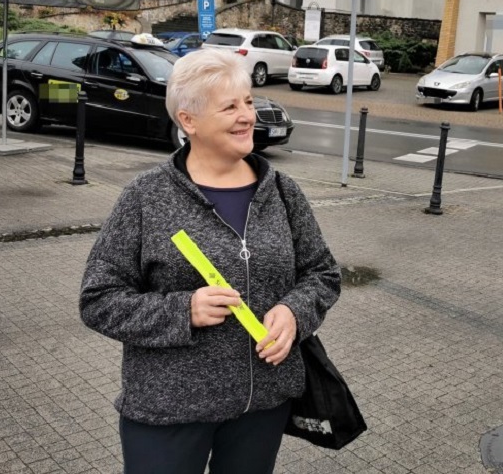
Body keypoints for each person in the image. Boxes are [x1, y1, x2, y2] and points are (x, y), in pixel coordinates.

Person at [79, 49, 341, 474]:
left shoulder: (283, 192)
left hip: (262, 404)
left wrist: (294, 313)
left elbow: (322, 273)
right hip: (169, 411)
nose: (247, 116)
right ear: (189, 121)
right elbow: (98, 300)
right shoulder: (146, 197)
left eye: (249, 102)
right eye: (230, 106)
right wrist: (183, 310)